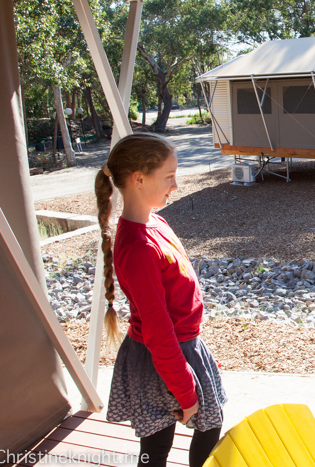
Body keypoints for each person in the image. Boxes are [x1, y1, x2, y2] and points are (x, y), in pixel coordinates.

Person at [95, 133, 226, 467]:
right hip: (162, 356)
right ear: (139, 179)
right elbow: (157, 329)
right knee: (163, 443)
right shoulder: (138, 247)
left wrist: (197, 357)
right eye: (169, 177)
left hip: (183, 347)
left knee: (194, 430)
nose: (176, 185)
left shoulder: (156, 222)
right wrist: (184, 389)